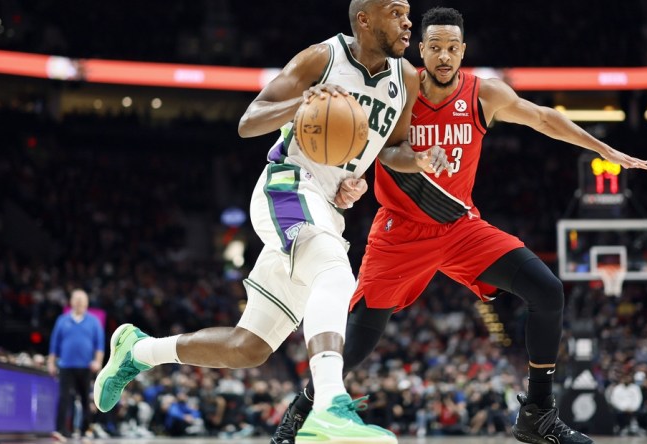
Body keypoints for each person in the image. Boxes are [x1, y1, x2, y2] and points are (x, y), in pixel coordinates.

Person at [271, 6, 647, 444]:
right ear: (422, 50)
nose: (444, 56)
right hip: (401, 231)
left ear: (463, 50)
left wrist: (604, 149)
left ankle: (538, 415)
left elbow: (544, 118)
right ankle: (296, 421)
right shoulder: (401, 90)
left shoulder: (484, 94)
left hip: (460, 226)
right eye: (435, 48)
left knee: (547, 291)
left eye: (452, 48)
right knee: (355, 344)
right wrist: (392, 165)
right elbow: (382, 150)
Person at [92, 1, 450, 443]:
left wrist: (414, 160)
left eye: (408, 12)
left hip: (327, 206)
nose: (408, 22)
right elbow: (248, 122)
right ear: (365, 18)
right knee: (335, 272)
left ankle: (138, 350)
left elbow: (391, 148)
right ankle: (329, 408)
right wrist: (302, 103)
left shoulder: (406, 79)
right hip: (287, 185)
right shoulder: (322, 58)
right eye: (396, 12)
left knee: (250, 347)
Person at [48, 289, 105, 442]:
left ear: (87, 302)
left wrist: (98, 362)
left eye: (82, 299)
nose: (79, 302)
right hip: (66, 365)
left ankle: (87, 429)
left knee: (86, 399)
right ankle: (61, 430)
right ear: (71, 302)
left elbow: (99, 345)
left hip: (86, 367)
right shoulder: (62, 320)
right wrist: (51, 363)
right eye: (76, 299)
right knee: (64, 398)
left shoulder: (94, 321)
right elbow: (54, 344)